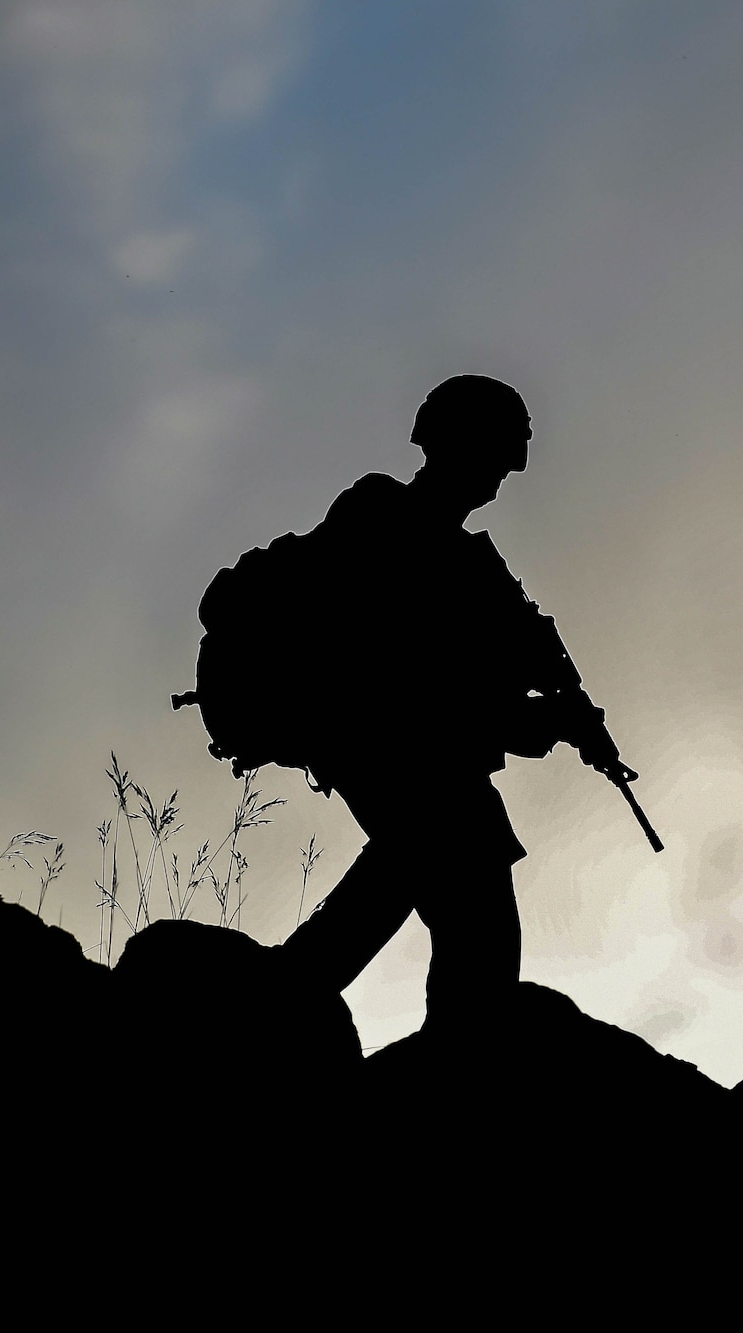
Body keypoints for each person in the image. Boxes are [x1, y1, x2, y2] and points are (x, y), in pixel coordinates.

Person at [278, 374, 630, 1021]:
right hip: (391, 747)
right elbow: (409, 678)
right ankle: (281, 1006)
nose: (503, 474)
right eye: (497, 453)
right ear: (456, 443)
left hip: (427, 759)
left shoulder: (469, 564)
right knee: (468, 910)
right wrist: (537, 716)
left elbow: (473, 693)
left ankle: (276, 999)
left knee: (420, 886)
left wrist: (550, 715)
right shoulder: (384, 518)